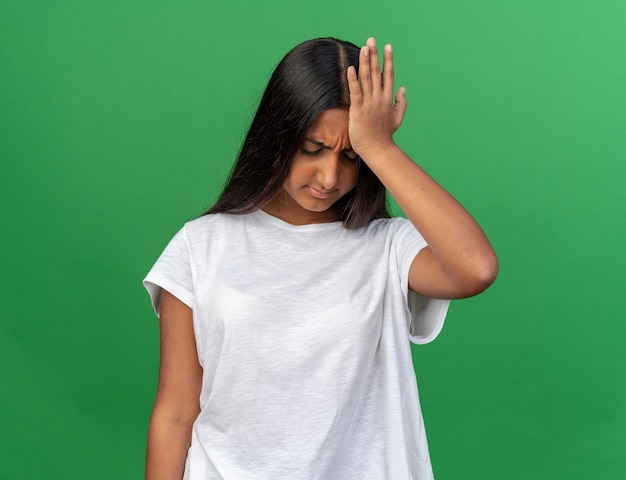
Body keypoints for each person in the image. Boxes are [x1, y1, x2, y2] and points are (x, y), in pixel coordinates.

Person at [143, 37, 498, 480]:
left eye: (350, 156)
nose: (329, 177)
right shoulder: (200, 246)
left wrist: (381, 147)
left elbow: (476, 268)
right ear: (276, 135)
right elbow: (175, 414)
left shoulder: (388, 247)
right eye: (312, 148)